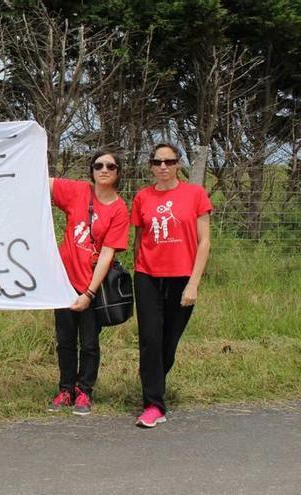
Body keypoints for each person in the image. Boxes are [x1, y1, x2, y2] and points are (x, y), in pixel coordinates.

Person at [131, 143, 212, 428]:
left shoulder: (195, 194)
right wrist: (137, 269)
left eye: (169, 161)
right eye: (157, 162)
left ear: (178, 164)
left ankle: (151, 375)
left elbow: (204, 242)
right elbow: (139, 239)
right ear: (151, 166)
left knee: (169, 343)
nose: (163, 167)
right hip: (148, 276)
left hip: (182, 278)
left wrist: (194, 284)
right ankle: (154, 404)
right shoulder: (142, 197)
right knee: (150, 339)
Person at [47, 150, 129, 415]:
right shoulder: (79, 192)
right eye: (98, 165)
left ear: (118, 172)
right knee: (65, 340)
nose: (103, 169)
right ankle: (65, 389)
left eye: (110, 166)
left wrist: (89, 293)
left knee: (90, 342)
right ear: (91, 170)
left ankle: (85, 390)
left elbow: (108, 253)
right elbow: (44, 183)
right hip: (63, 281)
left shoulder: (118, 209)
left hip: (93, 286)